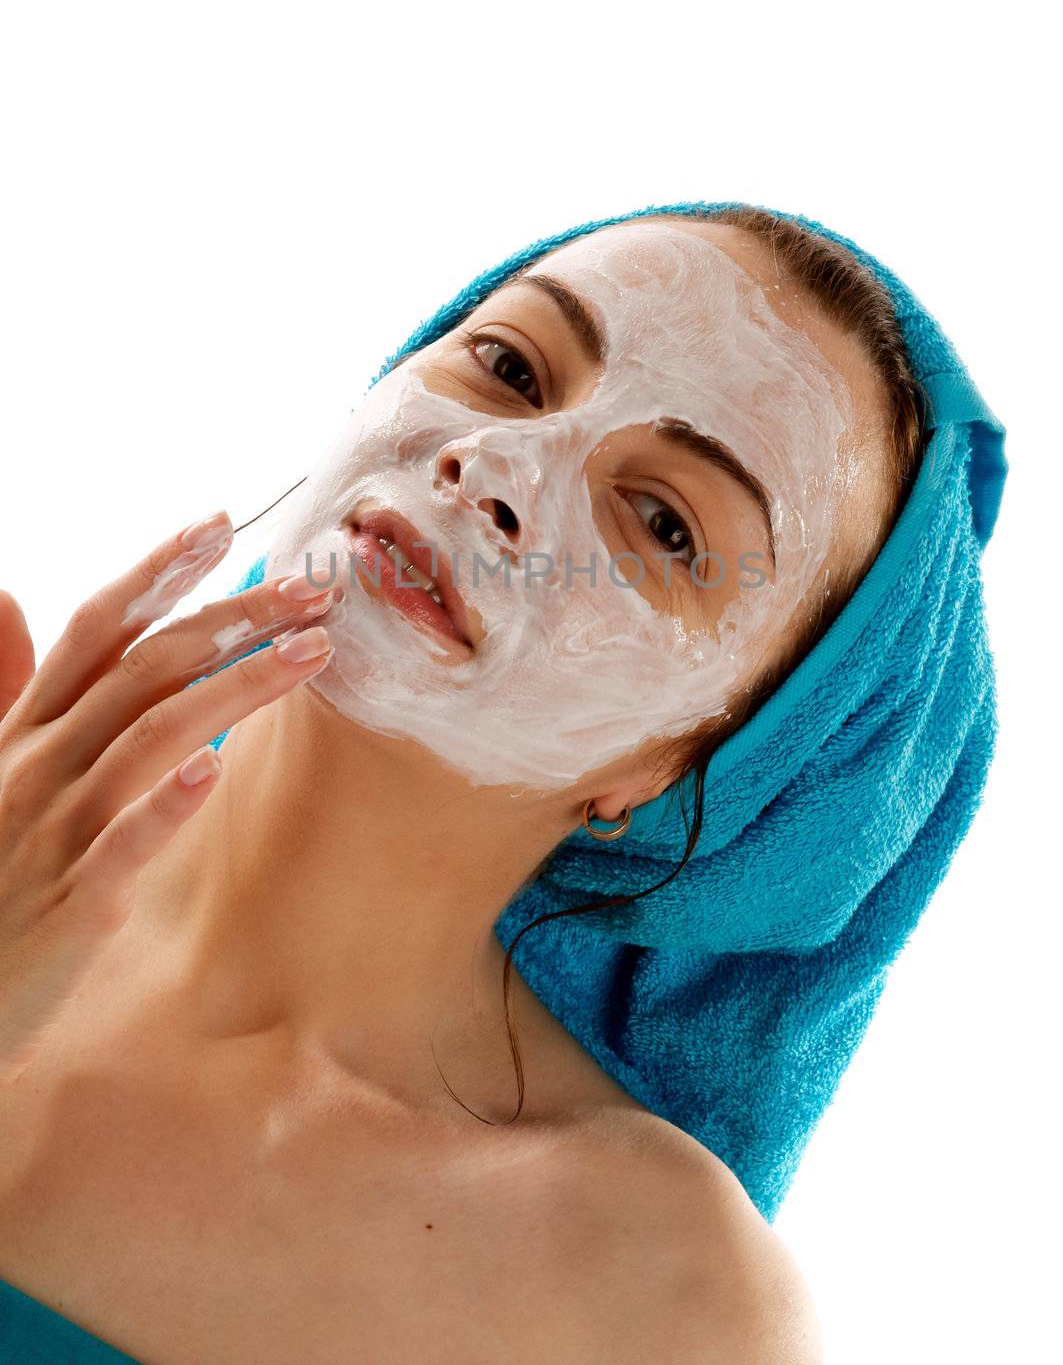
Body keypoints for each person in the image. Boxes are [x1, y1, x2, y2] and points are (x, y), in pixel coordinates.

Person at [0, 203, 1005, 1363]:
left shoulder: (655, 1295)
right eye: (511, 365)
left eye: (665, 524)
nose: (500, 466)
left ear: (683, 772)